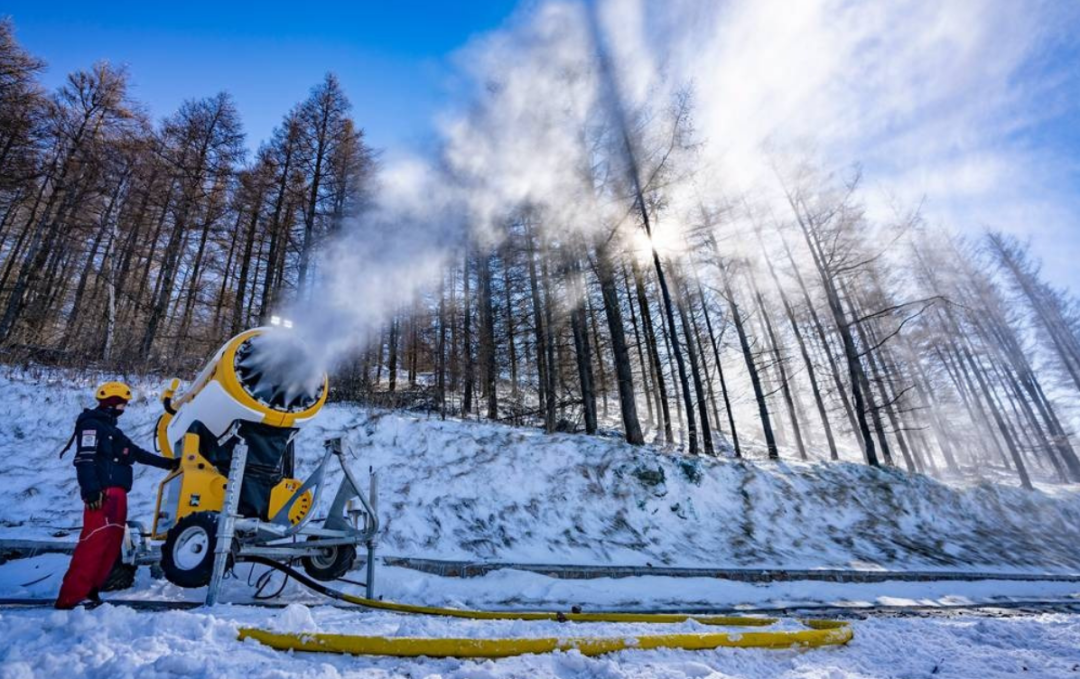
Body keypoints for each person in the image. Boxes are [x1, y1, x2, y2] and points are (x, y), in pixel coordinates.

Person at [55, 381, 178, 609]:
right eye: (122, 404)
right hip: (102, 494)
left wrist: (169, 464)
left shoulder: (113, 431)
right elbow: (84, 459)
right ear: (112, 403)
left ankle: (91, 591)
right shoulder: (91, 425)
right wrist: (90, 490)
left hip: (118, 494)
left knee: (111, 545)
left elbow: (137, 453)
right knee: (94, 543)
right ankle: (71, 597)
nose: (124, 408)